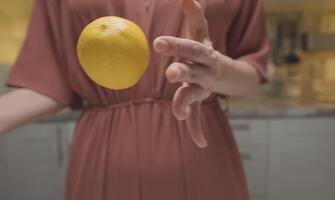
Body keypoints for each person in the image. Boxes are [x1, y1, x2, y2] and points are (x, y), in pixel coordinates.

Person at [0, 0, 269, 199]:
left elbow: (252, 70)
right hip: (102, 159)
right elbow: (48, 81)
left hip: (202, 157)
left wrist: (219, 71)